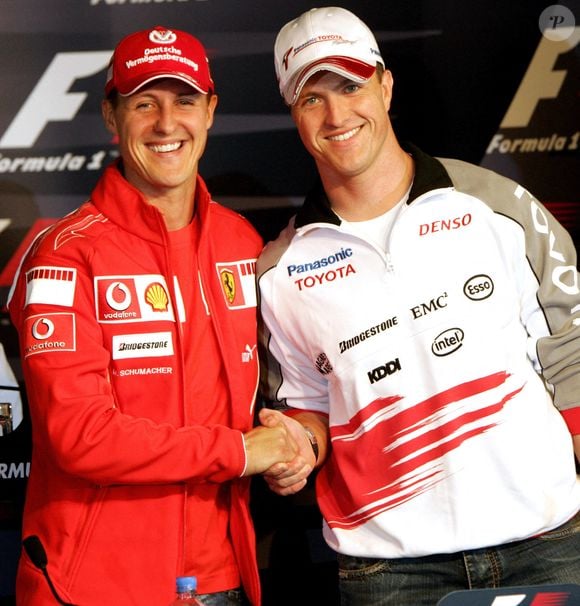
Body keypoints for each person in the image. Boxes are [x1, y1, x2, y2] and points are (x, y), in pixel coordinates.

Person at [256, 7, 580, 605]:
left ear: (385, 85)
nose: (336, 115)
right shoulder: (279, 271)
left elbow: (568, 357)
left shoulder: (497, 207)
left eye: (351, 86)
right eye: (312, 98)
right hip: (391, 570)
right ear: (294, 114)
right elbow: (306, 409)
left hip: (546, 544)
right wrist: (294, 450)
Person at [7, 25, 299, 606]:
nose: (168, 125)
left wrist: (296, 444)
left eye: (185, 101)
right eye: (145, 104)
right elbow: (81, 437)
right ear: (112, 118)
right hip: (95, 587)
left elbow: (290, 385)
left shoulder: (242, 245)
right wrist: (240, 453)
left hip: (225, 579)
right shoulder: (65, 255)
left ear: (211, 111)